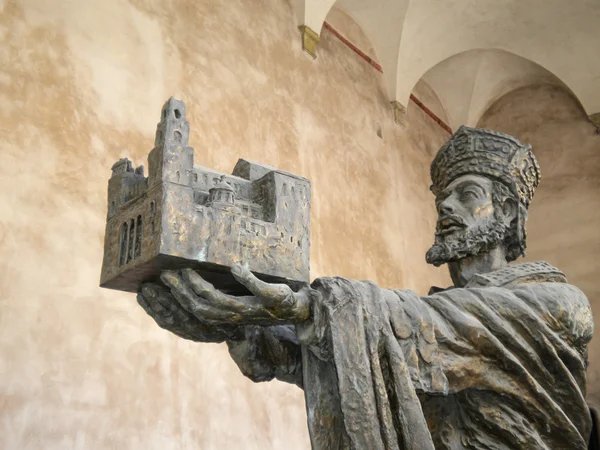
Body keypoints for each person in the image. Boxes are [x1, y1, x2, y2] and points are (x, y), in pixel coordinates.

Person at [137, 126, 594, 449]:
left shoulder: (555, 305)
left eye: (467, 194)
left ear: (509, 213)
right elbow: (350, 360)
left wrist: (309, 306)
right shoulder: (424, 326)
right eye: (443, 199)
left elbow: (436, 323)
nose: (447, 208)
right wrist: (241, 326)